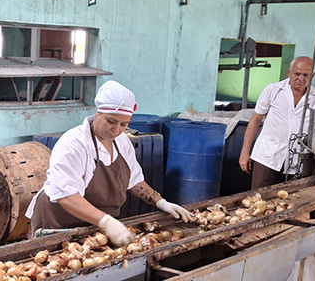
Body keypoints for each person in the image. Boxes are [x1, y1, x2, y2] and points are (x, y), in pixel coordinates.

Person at [25, 81, 194, 246]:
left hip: (94, 226)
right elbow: (66, 196)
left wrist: (160, 201)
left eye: (124, 124)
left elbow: (134, 180)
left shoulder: (122, 142)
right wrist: (107, 222)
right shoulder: (74, 144)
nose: (117, 129)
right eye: (111, 121)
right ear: (98, 114)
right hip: (58, 223)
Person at [239, 56, 315, 189]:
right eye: (297, 74)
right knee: (259, 199)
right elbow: (255, 121)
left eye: (305, 75)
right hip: (267, 158)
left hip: (298, 161)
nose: (300, 78)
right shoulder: (273, 90)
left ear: (313, 76)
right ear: (289, 72)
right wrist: (244, 153)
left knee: (292, 201)